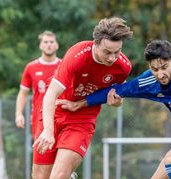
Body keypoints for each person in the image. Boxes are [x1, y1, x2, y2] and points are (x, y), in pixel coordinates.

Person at [57, 40, 171, 178]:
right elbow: (117, 90)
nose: (160, 74)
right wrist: (79, 104)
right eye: (155, 69)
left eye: (164, 67)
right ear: (149, 66)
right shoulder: (148, 82)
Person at [32, 17, 133, 179]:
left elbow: (118, 99)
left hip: (82, 119)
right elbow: (50, 94)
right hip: (55, 111)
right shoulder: (77, 56)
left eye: (117, 51)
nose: (112, 58)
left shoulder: (123, 67)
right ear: (96, 43)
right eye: (107, 52)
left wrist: (117, 102)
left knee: (58, 176)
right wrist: (48, 130)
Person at [15, 30, 61, 137]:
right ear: (40, 45)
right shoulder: (31, 67)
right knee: (41, 150)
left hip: (61, 116)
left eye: (51, 42)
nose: (48, 44)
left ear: (57, 45)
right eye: (45, 42)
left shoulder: (64, 66)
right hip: (39, 117)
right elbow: (23, 93)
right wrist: (18, 114)